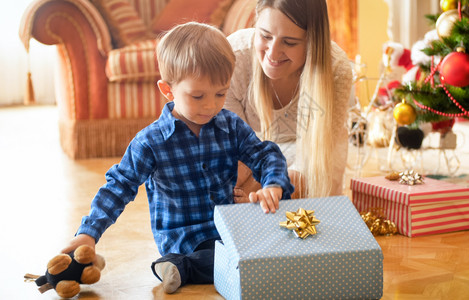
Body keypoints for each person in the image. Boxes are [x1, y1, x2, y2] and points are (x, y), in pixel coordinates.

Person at [60, 22, 294, 294]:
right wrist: (88, 233)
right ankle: (180, 266)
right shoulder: (150, 142)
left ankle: (193, 266)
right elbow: (118, 186)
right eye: (198, 96)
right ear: (168, 90)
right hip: (182, 238)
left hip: (228, 228)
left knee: (272, 249)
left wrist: (273, 184)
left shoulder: (230, 126)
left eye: (221, 93)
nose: (211, 105)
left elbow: (265, 154)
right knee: (235, 262)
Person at [225, 0, 353, 200]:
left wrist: (271, 189)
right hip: (250, 159)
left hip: (309, 159)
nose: (273, 54)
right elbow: (233, 154)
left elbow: (311, 166)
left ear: (312, 41)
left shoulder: (335, 71)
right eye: (265, 36)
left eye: (290, 42)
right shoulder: (233, 58)